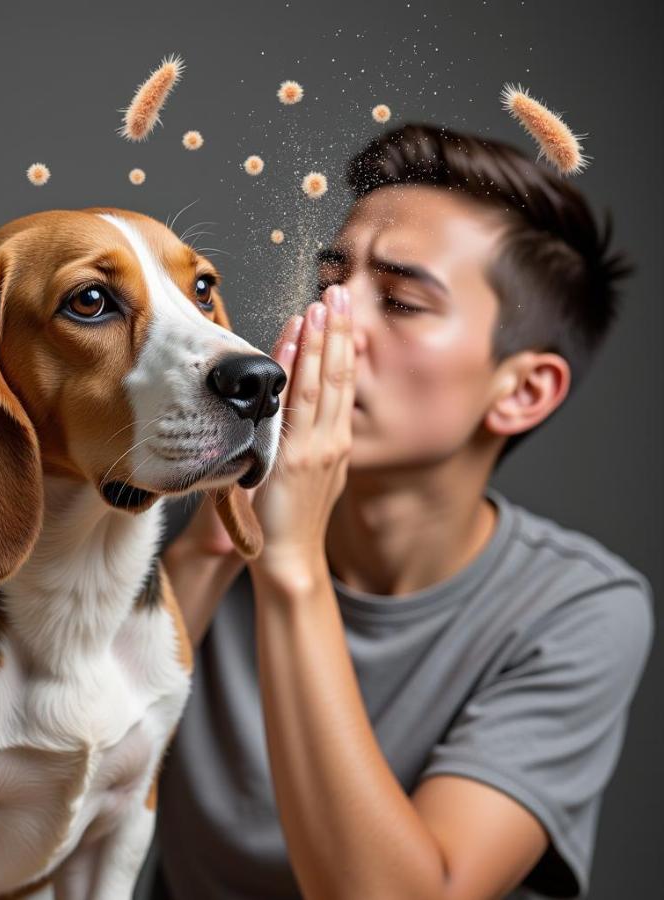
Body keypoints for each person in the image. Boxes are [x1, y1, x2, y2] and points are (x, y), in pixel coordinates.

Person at [148, 123, 655, 900]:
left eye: (402, 301)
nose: (334, 326)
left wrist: (290, 563)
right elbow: (50, 783)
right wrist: (219, 540)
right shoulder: (175, 513)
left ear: (522, 391)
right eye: (328, 285)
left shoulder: (580, 609)